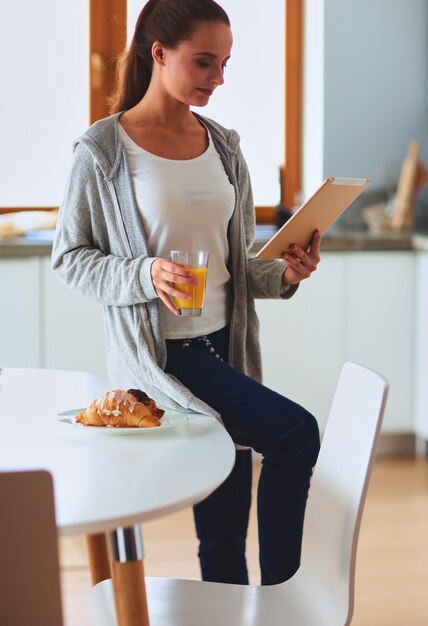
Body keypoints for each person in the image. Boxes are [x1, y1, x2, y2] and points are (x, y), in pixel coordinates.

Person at [52, 0, 321, 586]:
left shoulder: (224, 146)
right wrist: (145, 273)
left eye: (225, 64)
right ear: (159, 53)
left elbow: (236, 264)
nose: (218, 78)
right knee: (295, 432)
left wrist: (285, 274)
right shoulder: (103, 151)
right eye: (204, 62)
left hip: (227, 344)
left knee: (222, 521)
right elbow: (70, 259)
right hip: (168, 356)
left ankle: (239, 609)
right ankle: (284, 600)